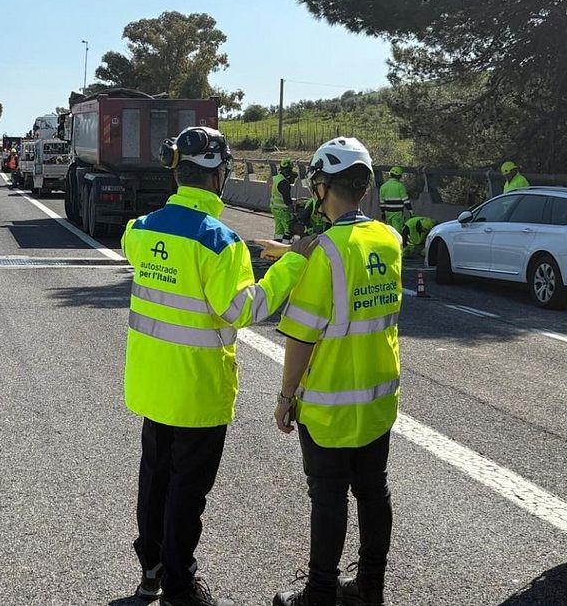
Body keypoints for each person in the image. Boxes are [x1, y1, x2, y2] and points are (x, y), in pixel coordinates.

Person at [124, 126, 317, 606]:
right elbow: (242, 310)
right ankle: (179, 587)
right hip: (198, 390)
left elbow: (146, 256)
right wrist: (291, 266)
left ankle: (150, 572)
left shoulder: (141, 229)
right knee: (187, 492)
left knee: (154, 481)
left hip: (151, 383)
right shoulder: (220, 242)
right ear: (218, 177)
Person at [271, 137, 402, 606]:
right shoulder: (389, 240)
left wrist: (286, 397)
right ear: (365, 187)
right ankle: (370, 587)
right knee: (373, 491)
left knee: (328, 497)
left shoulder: (325, 251)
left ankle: (321, 592)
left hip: (329, 404)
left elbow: (302, 336)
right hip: (378, 398)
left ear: (322, 188)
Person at [377, 166, 411, 236]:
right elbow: (406, 200)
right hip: (397, 213)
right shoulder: (400, 186)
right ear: (399, 176)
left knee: (390, 232)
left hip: (387, 213)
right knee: (397, 233)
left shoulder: (383, 186)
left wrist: (383, 212)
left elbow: (382, 202)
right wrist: (411, 211)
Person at [271, 159, 297, 241]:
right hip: (283, 211)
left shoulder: (277, 178)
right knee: (289, 230)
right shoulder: (285, 183)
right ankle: (286, 245)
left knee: (279, 230)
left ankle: (277, 244)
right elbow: (287, 200)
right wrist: (293, 212)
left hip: (275, 208)